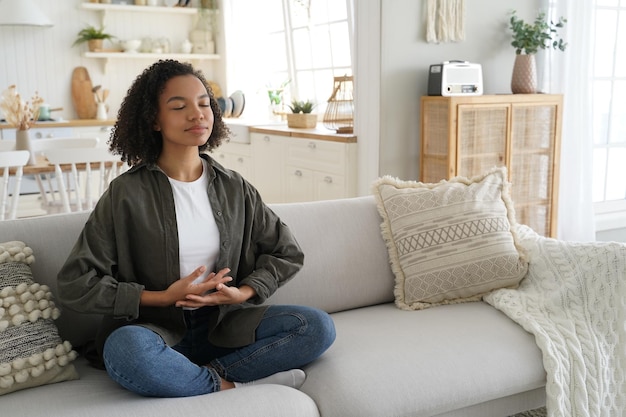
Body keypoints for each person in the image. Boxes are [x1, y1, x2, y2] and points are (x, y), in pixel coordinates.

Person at [57, 59, 336, 397]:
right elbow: (76, 282)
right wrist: (162, 297)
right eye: (179, 106)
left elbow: (286, 251)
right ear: (154, 120)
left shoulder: (235, 188)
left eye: (205, 103)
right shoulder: (126, 194)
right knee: (126, 350)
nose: (198, 114)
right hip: (154, 331)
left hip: (224, 325)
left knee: (316, 327)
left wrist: (244, 292)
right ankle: (232, 384)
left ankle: (205, 379)